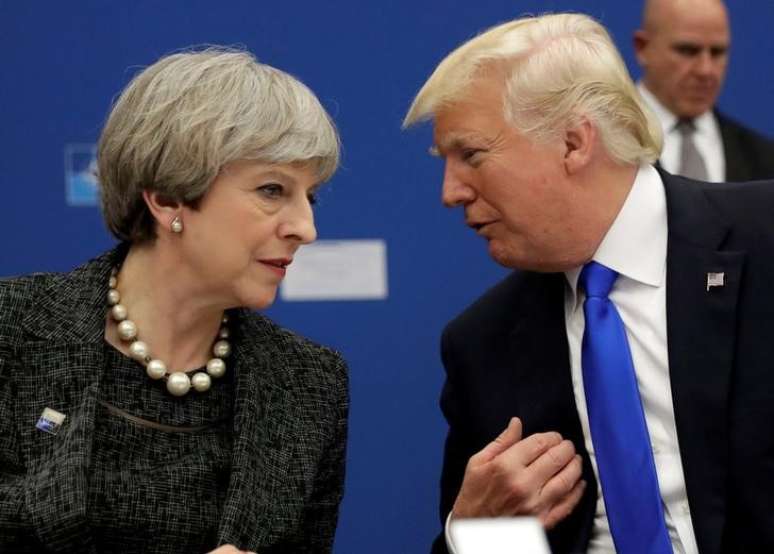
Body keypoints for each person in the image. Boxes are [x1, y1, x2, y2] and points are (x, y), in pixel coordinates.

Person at [404, 13, 774, 554]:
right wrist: (476, 533)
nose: (451, 192)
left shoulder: (764, 242)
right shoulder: (482, 344)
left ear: (574, 143)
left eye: (472, 155)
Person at [0, 47, 348, 553]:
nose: (306, 228)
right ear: (166, 198)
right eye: (273, 190)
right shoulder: (12, 330)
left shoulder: (310, 384)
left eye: (309, 196)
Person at [633, 0, 774, 181]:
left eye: (717, 52)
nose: (705, 70)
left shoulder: (764, 160)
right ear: (642, 48)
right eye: (687, 50)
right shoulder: (600, 146)